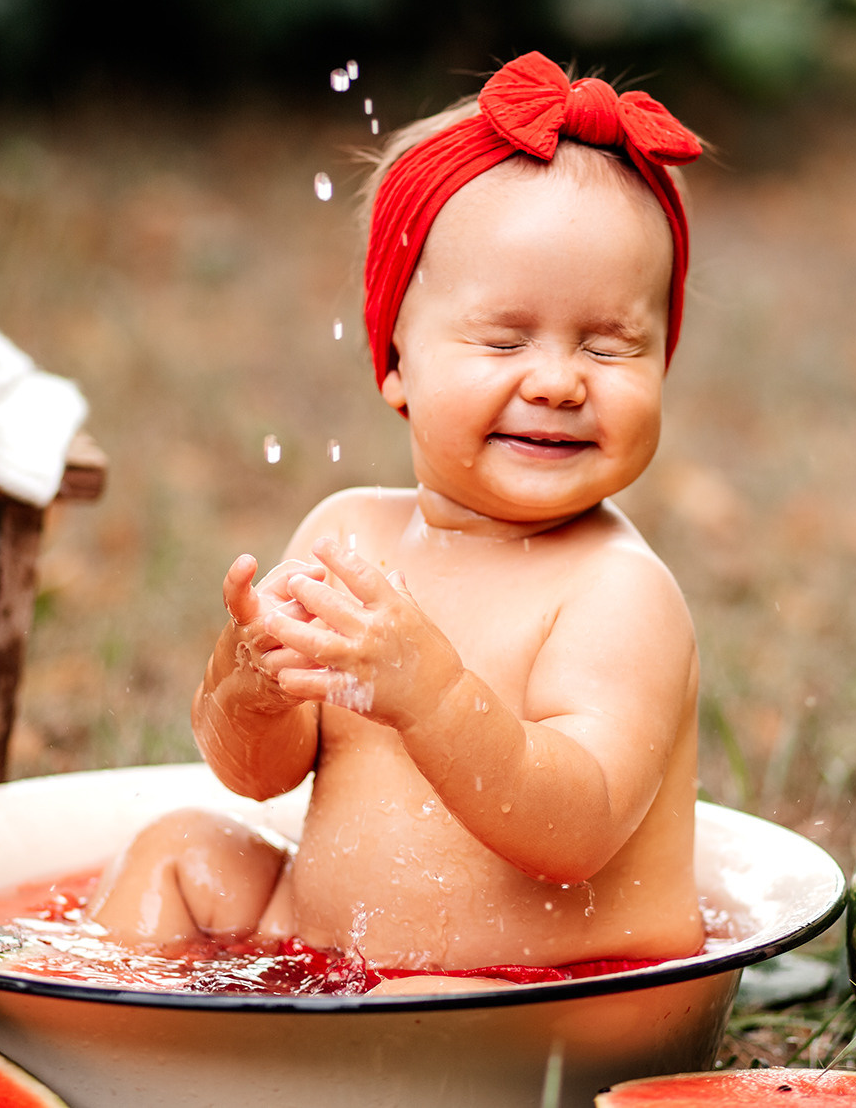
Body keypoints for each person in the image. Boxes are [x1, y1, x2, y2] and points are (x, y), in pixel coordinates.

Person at [90, 51, 708, 992]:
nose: (556, 380)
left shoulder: (618, 591)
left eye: (611, 344)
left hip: (542, 990)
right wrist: (252, 691)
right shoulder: (350, 535)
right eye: (504, 339)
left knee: (419, 1000)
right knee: (180, 850)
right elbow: (257, 776)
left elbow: (576, 828)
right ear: (396, 366)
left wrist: (433, 692)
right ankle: (111, 1042)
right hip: (331, 962)